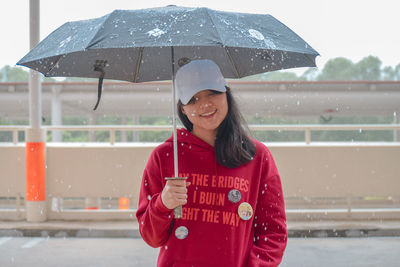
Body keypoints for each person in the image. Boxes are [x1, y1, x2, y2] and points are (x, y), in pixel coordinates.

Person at [136, 59, 287, 267]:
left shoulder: (257, 156)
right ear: (183, 109)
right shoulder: (164, 156)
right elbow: (151, 236)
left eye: (213, 93)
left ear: (227, 95)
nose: (205, 104)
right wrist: (163, 203)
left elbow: (273, 232)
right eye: (194, 98)